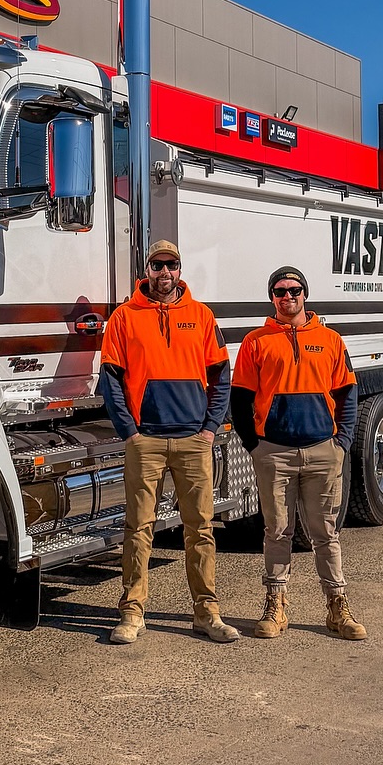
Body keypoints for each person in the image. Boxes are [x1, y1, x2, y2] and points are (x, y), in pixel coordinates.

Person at [98, 239, 238, 645]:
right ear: (147, 270)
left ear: (180, 269)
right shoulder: (125, 317)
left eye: (171, 265)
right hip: (147, 441)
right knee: (139, 528)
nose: (165, 273)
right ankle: (132, 611)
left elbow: (221, 376)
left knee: (201, 529)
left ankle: (206, 613)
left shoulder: (201, 316)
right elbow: (111, 379)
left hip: (194, 440)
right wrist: (131, 433)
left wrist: (210, 428)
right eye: (157, 265)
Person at [230, 265, 368, 641]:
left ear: (305, 294)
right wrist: (254, 446)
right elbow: (240, 400)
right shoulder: (256, 342)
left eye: (294, 290)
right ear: (272, 298)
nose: (287, 297)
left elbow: (347, 395)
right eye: (279, 291)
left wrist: (341, 445)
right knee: (277, 531)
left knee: (325, 533)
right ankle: (276, 606)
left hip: (323, 450)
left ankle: (338, 608)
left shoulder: (330, 340)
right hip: (273, 452)